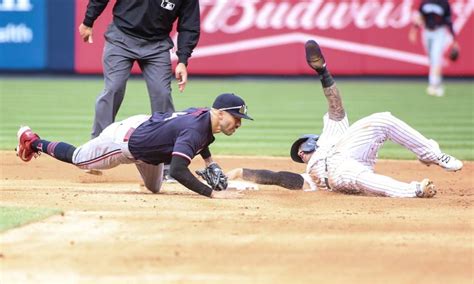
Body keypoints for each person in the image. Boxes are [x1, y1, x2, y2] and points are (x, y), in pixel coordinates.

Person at [226, 40, 463, 198]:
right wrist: (240, 172)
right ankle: (415, 191)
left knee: (382, 118)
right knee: (358, 177)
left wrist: (323, 73)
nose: (300, 153)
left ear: (309, 142)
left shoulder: (332, 135)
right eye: (298, 153)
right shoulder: (311, 174)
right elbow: (277, 178)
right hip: (338, 174)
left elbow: (335, 105)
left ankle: (432, 155)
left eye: (300, 146)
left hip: (349, 152)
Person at [16, 93, 253, 199]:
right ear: (220, 114)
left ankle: (148, 163)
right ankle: (32, 141)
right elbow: (179, 170)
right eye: (237, 118)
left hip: (148, 143)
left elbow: (203, 140)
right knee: (79, 158)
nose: (239, 124)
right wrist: (210, 193)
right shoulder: (195, 129)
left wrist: (209, 161)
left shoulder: (205, 118)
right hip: (123, 141)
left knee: (154, 189)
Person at [78, 0, 200, 180]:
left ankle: (168, 161)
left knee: (162, 95)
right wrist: (88, 21)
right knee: (113, 89)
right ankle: (95, 149)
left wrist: (183, 60)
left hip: (157, 45)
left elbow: (189, 25)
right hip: (121, 37)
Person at [409, 0, 458, 97]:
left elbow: (448, 21)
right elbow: (420, 17)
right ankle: (438, 84)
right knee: (432, 59)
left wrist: (454, 40)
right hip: (427, 32)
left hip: (439, 32)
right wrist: (414, 29)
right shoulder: (425, 2)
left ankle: (433, 85)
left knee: (436, 57)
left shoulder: (444, 3)